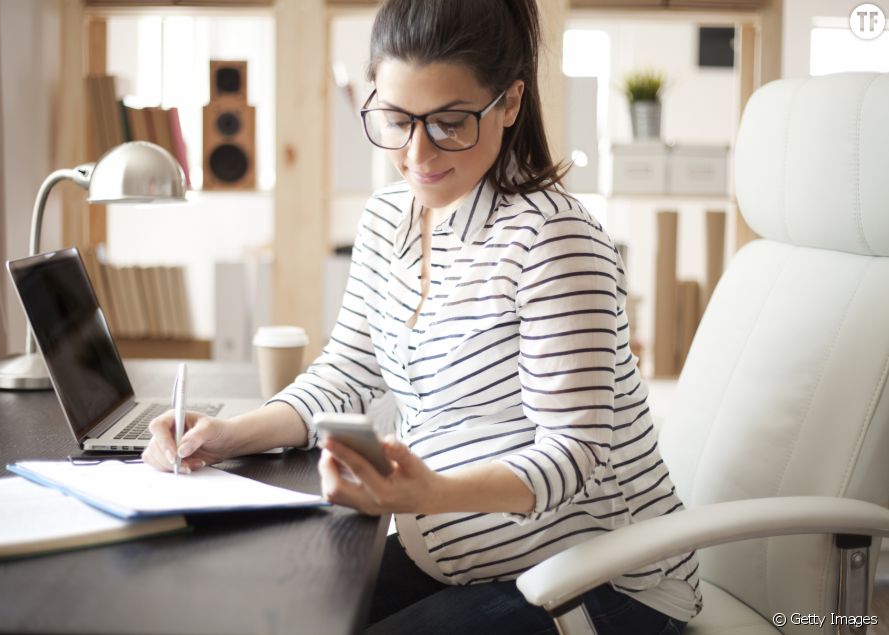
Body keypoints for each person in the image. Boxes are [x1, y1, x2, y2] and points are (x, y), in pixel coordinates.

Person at [143, 1, 701, 633]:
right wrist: (227, 433)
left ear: (510, 103)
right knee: (267, 612)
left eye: (450, 122)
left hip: (598, 581)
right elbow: (346, 372)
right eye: (396, 119)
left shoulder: (554, 242)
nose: (417, 153)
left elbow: (573, 453)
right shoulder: (387, 218)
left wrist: (429, 493)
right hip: (447, 551)